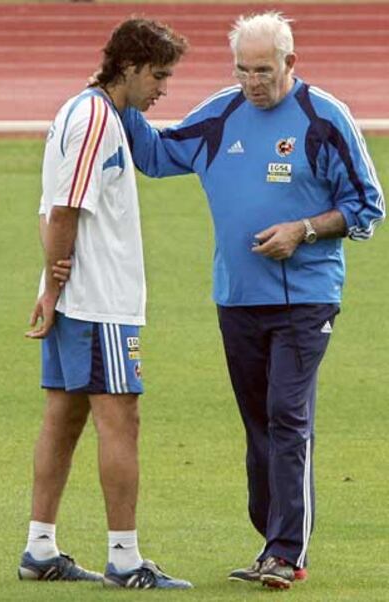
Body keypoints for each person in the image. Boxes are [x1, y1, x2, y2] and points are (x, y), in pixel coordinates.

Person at [120, 11, 385, 590]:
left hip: (305, 300)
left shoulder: (324, 118)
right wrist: (118, 94)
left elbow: (368, 205)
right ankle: (271, 539)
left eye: (263, 70)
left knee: (289, 416)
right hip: (237, 298)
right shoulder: (222, 113)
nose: (253, 82)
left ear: (291, 62)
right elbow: (159, 156)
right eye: (242, 69)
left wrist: (305, 230)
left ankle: (288, 551)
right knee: (259, 423)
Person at [19, 18, 192, 590]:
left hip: (81, 298)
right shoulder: (95, 117)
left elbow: (52, 208)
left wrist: (50, 287)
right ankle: (124, 560)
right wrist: (53, 285)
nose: (163, 89)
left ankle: (39, 547)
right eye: (160, 76)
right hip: (99, 302)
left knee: (64, 417)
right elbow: (65, 208)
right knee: (121, 418)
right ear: (132, 67)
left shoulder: (90, 112)